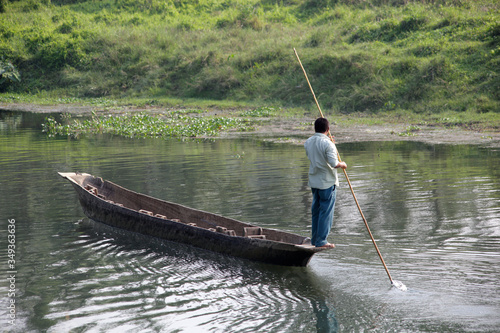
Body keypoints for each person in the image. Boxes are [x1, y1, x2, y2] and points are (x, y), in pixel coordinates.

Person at [304, 117, 347, 248]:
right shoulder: (328, 144)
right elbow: (334, 164)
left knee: (316, 210)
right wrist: (343, 164)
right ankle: (321, 241)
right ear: (328, 129)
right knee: (326, 211)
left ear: (315, 128)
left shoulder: (308, 142)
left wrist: (330, 143)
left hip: (314, 181)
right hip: (327, 182)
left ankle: (315, 239)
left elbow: (317, 155)